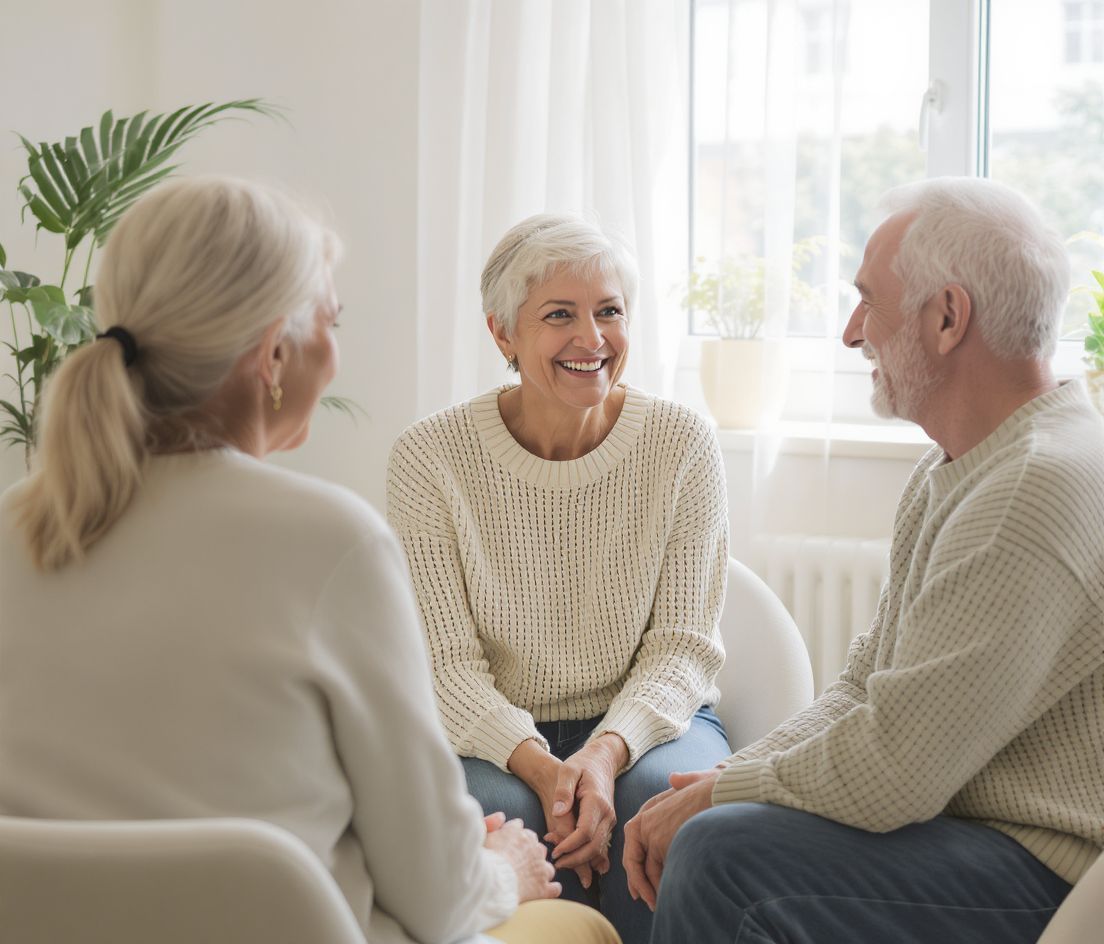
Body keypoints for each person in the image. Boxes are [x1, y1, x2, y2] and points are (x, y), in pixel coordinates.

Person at [0, 177, 619, 944]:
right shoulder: (330, 545)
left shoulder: (15, 529)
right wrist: (503, 866)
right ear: (274, 356)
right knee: (575, 929)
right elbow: (442, 899)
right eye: (334, 317)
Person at [625, 177, 1104, 944]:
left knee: (723, 857)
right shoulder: (963, 464)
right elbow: (860, 689)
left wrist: (721, 795)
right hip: (971, 834)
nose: (852, 332)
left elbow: (894, 770)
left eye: (869, 301)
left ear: (947, 317)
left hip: (1043, 877)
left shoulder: (1030, 490)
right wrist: (722, 783)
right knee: (721, 826)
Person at [386, 213, 732, 943]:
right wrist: (547, 771)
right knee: (496, 829)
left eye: (609, 311)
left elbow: (683, 647)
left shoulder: (682, 444)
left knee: (668, 819)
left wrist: (605, 754)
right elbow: (443, 666)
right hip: (486, 734)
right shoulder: (428, 458)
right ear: (503, 333)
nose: (592, 338)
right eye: (559, 316)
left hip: (652, 723)